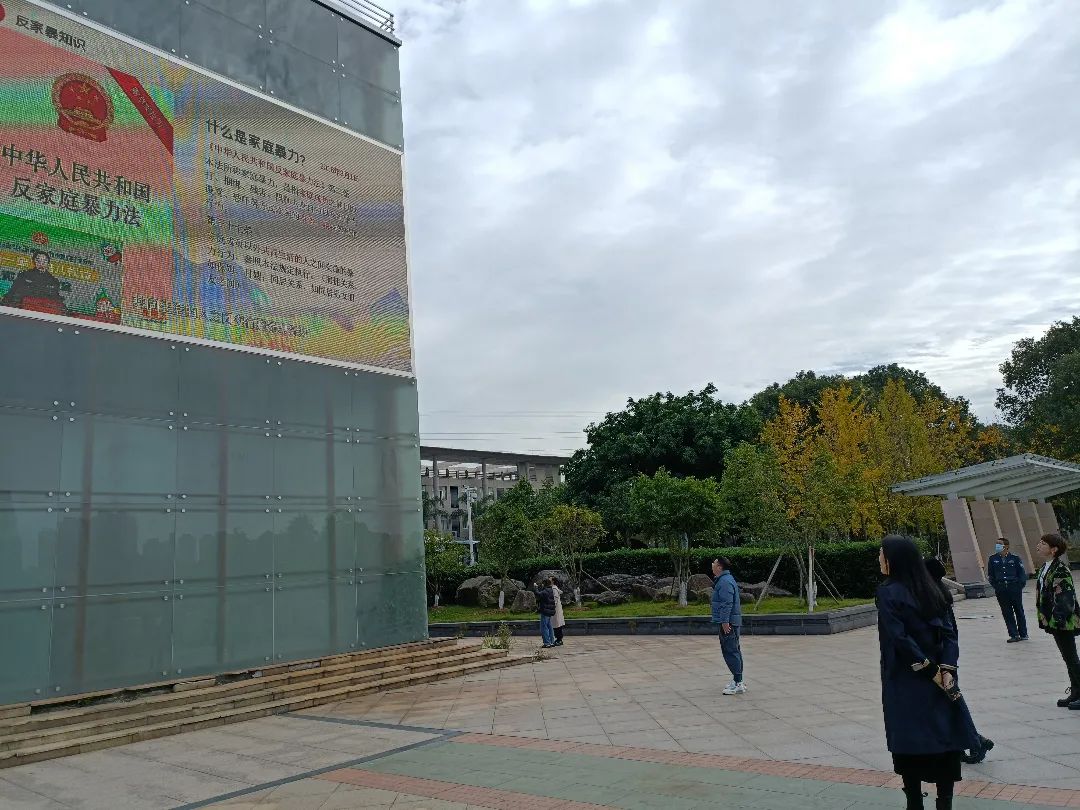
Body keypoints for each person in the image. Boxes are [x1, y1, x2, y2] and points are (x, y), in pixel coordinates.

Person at [878, 535, 972, 810]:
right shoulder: (933, 588)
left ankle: (914, 802)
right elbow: (950, 634)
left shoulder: (888, 591)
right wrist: (947, 670)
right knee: (945, 738)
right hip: (942, 679)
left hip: (905, 678)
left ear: (893, 560)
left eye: (881, 554)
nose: (879, 559)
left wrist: (928, 669)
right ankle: (945, 802)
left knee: (909, 740)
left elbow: (898, 637)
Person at [924, 557, 994, 766]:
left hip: (941, 661)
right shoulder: (940, 592)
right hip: (946, 659)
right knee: (951, 702)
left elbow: (945, 633)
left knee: (953, 702)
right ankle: (969, 742)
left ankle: (976, 741)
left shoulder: (933, 595)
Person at [1034, 532, 1080, 709]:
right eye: (1040, 542)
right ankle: (1075, 693)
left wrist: (1057, 620)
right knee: (1068, 658)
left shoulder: (1060, 569)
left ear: (1053, 550)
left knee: (1072, 658)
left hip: (1063, 621)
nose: (1039, 545)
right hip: (1054, 621)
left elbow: (1065, 598)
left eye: (1043, 543)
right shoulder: (1046, 567)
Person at [710, 557, 745, 695]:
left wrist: (725, 622)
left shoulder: (724, 582)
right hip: (730, 621)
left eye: (714, 563)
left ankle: (738, 683)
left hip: (728, 622)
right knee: (734, 650)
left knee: (731, 651)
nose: (712, 565)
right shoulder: (725, 579)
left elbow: (727, 603)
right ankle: (738, 681)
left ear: (719, 567)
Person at [987, 538, 1028, 642]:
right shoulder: (993, 559)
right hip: (1001, 588)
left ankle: (1023, 634)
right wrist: (997, 586)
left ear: (1006, 546)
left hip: (1014, 587)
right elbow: (991, 575)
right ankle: (1014, 635)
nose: (997, 545)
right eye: (996, 543)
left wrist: (1019, 586)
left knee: (1019, 610)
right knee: (1007, 612)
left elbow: (1021, 574)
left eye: (999, 544)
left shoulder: (1015, 558)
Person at [533, 578, 557, 648]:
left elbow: (538, 594)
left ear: (545, 584)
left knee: (544, 627)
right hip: (549, 611)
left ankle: (547, 643)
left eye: (543, 583)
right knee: (549, 626)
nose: (542, 585)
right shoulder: (550, 590)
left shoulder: (545, 591)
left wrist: (535, 587)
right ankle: (552, 642)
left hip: (545, 611)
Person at [550, 577, 566, 647]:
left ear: (553, 581)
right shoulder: (554, 588)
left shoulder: (554, 589)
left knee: (557, 624)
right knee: (556, 624)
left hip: (556, 609)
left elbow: (555, 599)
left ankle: (559, 639)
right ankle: (558, 639)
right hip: (556, 609)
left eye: (550, 579)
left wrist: (552, 607)